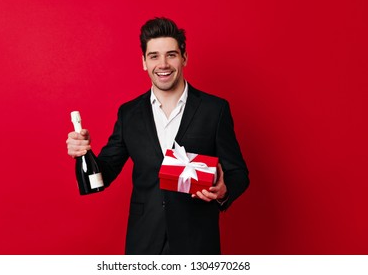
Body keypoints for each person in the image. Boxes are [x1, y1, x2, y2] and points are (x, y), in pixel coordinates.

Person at [66, 17, 249, 255]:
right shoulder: (129, 113)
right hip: (144, 241)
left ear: (184, 58)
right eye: (154, 56)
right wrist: (83, 153)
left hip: (197, 240)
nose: (163, 64)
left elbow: (239, 173)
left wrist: (224, 192)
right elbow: (104, 173)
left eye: (171, 54)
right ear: (144, 61)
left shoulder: (215, 110)